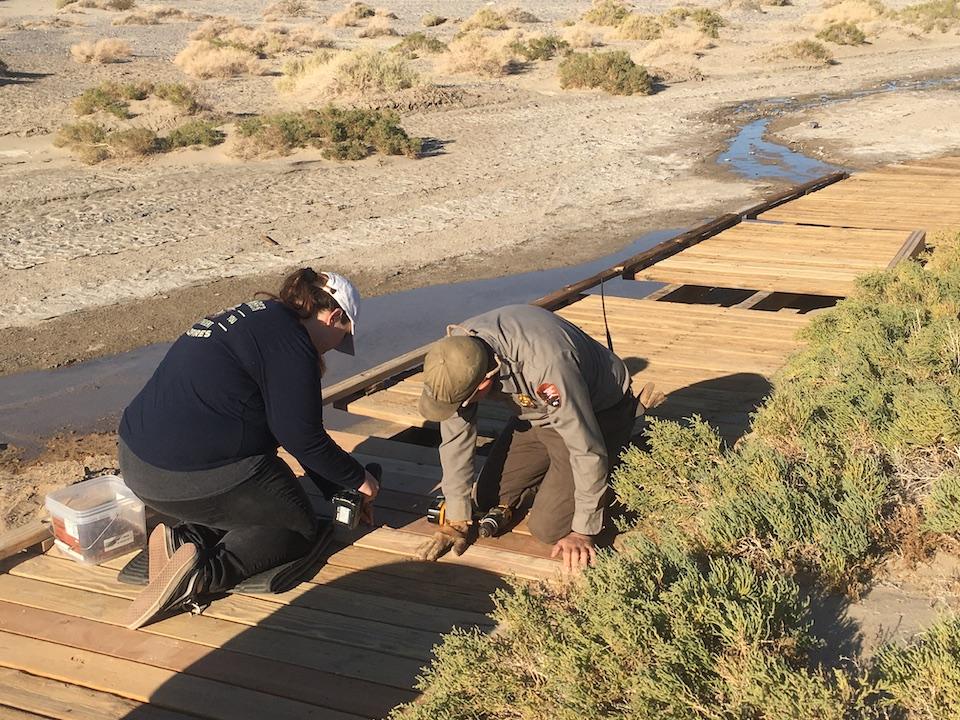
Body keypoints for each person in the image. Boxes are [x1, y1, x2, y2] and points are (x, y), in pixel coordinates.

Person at [118, 268, 380, 630]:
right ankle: (203, 574)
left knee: (263, 494)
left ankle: (185, 536)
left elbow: (294, 433)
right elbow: (302, 437)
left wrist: (339, 488)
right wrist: (358, 478)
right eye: (342, 336)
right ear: (333, 316)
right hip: (185, 476)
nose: (336, 346)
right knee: (296, 526)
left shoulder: (260, 318)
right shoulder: (292, 346)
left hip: (138, 464)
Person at [416, 304, 663, 572]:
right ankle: (556, 479)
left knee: (550, 527)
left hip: (594, 413)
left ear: (484, 383)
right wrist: (456, 519)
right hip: (537, 415)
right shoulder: (457, 356)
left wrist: (583, 531)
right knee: (488, 498)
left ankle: (627, 442)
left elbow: (585, 449)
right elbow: (455, 439)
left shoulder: (547, 367)